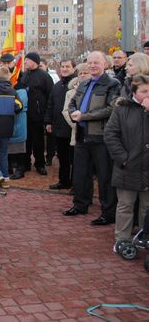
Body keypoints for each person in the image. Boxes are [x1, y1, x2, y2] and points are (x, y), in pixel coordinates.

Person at [64, 51, 120, 226]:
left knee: (105, 177)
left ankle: (108, 212)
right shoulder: (84, 83)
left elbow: (111, 109)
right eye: (90, 62)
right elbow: (73, 102)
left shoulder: (112, 84)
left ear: (105, 63)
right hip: (82, 136)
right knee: (80, 174)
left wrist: (85, 116)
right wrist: (74, 112)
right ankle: (80, 205)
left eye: (96, 62)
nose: (93, 65)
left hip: (101, 137)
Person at [104, 74, 149, 250]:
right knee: (125, 205)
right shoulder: (122, 109)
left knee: (146, 207)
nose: (148, 94)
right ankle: (122, 239)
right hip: (128, 166)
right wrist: (123, 159)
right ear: (134, 92)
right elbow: (110, 135)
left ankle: (143, 236)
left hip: (147, 167)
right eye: (144, 91)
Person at [20, 52, 54, 176]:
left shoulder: (44, 76)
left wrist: (47, 116)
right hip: (25, 115)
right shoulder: (24, 76)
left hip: (39, 115)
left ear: (34, 61)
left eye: (27, 60)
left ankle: (40, 164)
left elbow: (50, 96)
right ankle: (25, 164)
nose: (25, 63)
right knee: (26, 141)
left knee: (38, 142)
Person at [45, 59, 77, 190]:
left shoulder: (76, 85)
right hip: (58, 127)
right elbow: (50, 104)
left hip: (72, 128)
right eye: (62, 66)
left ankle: (75, 184)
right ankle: (63, 181)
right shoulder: (57, 85)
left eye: (67, 66)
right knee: (62, 157)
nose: (64, 69)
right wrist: (48, 121)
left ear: (73, 68)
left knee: (74, 159)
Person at [8, 83, 28, 180]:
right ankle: (9, 167)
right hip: (11, 121)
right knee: (9, 146)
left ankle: (20, 169)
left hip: (18, 121)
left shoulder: (22, 91)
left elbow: (20, 106)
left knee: (19, 147)